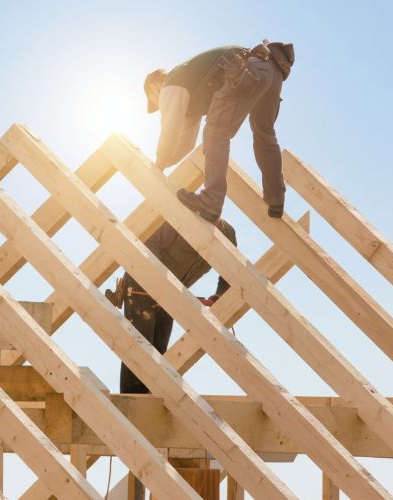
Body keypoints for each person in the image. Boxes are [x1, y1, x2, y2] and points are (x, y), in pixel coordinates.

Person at [143, 41, 294, 223]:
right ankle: (276, 199)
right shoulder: (191, 87)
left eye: (155, 102)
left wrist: (158, 163)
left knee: (216, 133)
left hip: (244, 69)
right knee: (264, 134)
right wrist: (165, 163)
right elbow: (186, 142)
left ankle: (211, 201)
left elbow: (170, 130)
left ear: (153, 88)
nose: (160, 107)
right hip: (270, 69)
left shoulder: (171, 83)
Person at [109, 219, 237, 394]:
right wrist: (163, 283)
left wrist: (219, 297)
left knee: (160, 350)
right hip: (142, 283)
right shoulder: (179, 216)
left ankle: (149, 401)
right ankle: (131, 403)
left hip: (171, 295)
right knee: (140, 347)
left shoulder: (227, 234)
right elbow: (150, 245)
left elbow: (230, 271)